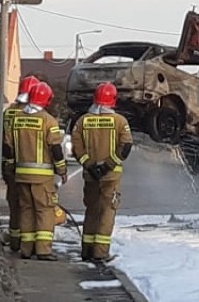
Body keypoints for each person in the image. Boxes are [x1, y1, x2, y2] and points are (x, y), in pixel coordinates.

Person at [71, 82, 133, 262]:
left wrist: (89, 165)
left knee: (91, 210)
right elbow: (126, 146)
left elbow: (76, 147)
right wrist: (107, 166)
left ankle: (87, 250)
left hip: (90, 176)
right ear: (113, 99)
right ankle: (100, 253)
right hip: (111, 176)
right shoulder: (120, 121)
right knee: (107, 212)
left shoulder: (83, 121)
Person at [4, 82, 68, 261]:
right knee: (44, 211)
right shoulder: (48, 120)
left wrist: (10, 165)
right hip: (43, 177)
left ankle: (27, 249)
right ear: (47, 100)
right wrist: (61, 169)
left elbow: (7, 146)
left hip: (21, 175)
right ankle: (43, 250)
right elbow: (55, 148)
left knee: (26, 210)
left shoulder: (16, 118)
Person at [0, 75, 40, 252]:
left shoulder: (8, 112)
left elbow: (4, 140)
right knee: (30, 205)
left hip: (9, 166)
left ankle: (15, 240)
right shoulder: (38, 114)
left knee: (14, 203)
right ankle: (29, 242)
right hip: (30, 165)